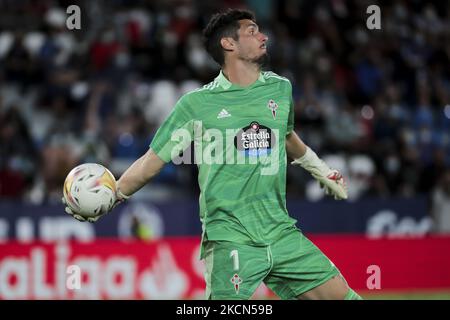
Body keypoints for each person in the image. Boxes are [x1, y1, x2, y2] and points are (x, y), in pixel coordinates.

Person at [63, 9, 361, 300]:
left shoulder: (280, 90)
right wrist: (113, 194)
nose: (264, 36)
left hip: (281, 231)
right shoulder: (197, 104)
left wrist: (320, 169)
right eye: (252, 31)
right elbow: (151, 162)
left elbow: (285, 136)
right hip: (230, 239)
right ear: (228, 44)